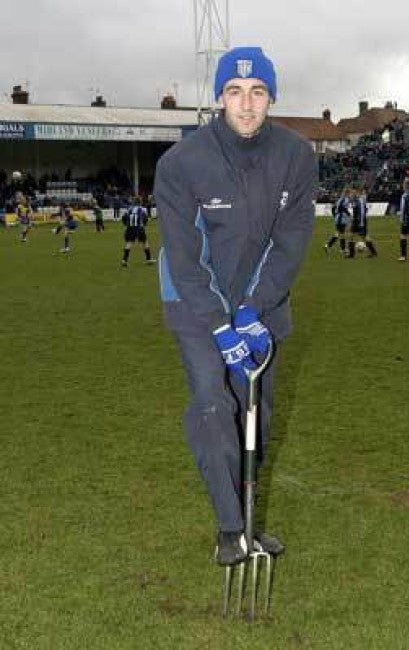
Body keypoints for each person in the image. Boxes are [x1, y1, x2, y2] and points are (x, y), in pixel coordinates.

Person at [153, 46, 317, 566]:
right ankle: (231, 528)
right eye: (234, 92)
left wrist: (253, 310)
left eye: (258, 92)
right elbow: (185, 256)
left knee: (257, 414)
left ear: (272, 97)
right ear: (219, 97)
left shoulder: (296, 156)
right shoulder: (182, 162)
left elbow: (290, 242)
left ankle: (248, 518)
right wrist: (223, 325)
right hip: (194, 300)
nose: (246, 105)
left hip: (262, 302)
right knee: (213, 403)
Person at [121, 196, 155, 266]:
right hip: (139, 228)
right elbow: (145, 218)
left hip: (130, 228)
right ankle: (148, 259)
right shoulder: (141, 209)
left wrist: (126, 224)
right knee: (145, 242)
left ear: (134, 202)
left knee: (129, 243)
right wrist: (144, 224)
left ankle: (124, 260)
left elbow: (123, 217)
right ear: (140, 202)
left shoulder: (129, 209)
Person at [346, 187, 377, 258]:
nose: (352, 194)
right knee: (350, 236)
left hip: (361, 221)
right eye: (351, 193)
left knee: (364, 237)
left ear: (357, 193)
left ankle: (373, 252)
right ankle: (351, 254)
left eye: (353, 193)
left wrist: (361, 223)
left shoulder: (360, 201)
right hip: (355, 221)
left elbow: (363, 212)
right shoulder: (354, 200)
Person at [324, 188, 350, 255]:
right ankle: (342, 249)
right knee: (342, 234)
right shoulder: (345, 199)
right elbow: (342, 207)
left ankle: (329, 246)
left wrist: (335, 216)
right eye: (349, 193)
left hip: (339, 218)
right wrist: (348, 214)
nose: (350, 195)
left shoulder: (340, 199)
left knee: (339, 234)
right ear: (347, 193)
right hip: (341, 219)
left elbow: (333, 208)